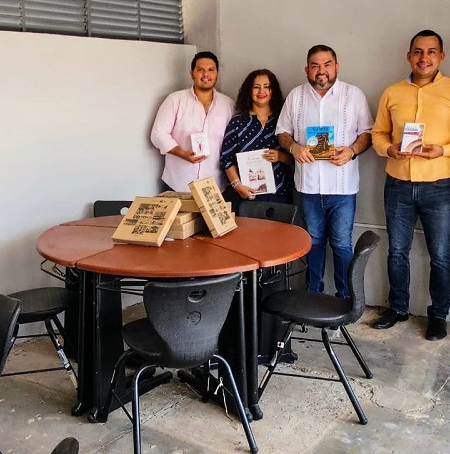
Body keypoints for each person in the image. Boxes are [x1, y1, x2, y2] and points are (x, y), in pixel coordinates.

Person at [370, 29, 450, 341]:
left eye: (431, 52)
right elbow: (378, 134)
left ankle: (438, 315)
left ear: (441, 56)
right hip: (398, 183)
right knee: (397, 251)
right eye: (418, 51)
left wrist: (444, 150)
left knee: (440, 253)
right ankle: (398, 308)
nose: (424, 57)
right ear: (409, 56)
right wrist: (389, 149)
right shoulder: (391, 93)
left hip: (438, 185)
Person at [276, 46, 373, 297]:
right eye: (315, 65)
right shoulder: (296, 96)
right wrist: (294, 147)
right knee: (313, 243)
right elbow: (282, 132)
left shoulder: (354, 95)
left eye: (327, 64)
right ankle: (313, 296)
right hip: (308, 187)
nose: (321, 71)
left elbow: (368, 133)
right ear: (307, 69)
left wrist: (352, 151)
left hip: (342, 187)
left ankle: (345, 299)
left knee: (341, 245)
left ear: (336, 67)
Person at [150, 51, 235, 192]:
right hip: (178, 183)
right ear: (192, 73)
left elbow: (233, 142)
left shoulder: (229, 105)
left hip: (214, 186)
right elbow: (158, 135)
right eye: (200, 70)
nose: (205, 74)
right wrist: (182, 153)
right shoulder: (175, 100)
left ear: (217, 74)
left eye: (211, 70)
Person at [220, 69, 294, 212]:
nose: (262, 91)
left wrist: (280, 156)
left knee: (278, 234)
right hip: (244, 194)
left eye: (267, 86)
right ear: (249, 90)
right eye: (256, 87)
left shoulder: (283, 120)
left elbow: (294, 157)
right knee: (247, 234)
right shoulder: (238, 121)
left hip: (279, 194)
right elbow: (227, 158)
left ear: (273, 91)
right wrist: (237, 185)